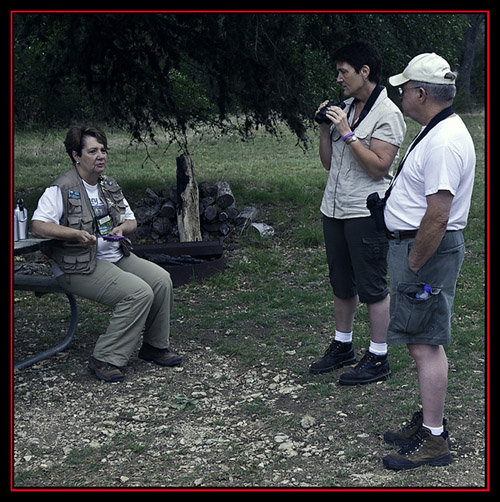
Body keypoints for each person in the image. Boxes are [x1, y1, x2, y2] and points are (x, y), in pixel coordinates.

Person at [381, 53, 475, 470]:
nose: (400, 93)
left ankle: (435, 438)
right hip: (418, 249)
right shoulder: (437, 129)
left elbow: (438, 214)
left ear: (421, 93)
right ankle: (430, 423)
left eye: (404, 88)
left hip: (425, 253)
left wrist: (415, 263)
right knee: (423, 341)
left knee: (424, 345)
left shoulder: (443, 140)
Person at [31, 125, 182, 382]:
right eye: (92, 151)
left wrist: (122, 228)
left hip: (116, 256)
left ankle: (154, 347)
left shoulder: (108, 185)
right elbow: (38, 226)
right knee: (137, 293)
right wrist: (74, 234)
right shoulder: (61, 188)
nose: (101, 156)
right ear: (76, 155)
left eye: (103, 150)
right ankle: (104, 358)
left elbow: (132, 221)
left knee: (161, 280)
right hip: (77, 265)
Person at [310, 41, 406, 385]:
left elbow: (379, 168)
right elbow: (327, 163)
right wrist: (326, 128)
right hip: (333, 207)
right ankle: (343, 345)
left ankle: (379, 355)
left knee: (372, 284)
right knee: (341, 281)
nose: (338, 78)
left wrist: (348, 133)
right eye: (337, 71)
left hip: (365, 210)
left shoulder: (388, 114)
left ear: (364, 72)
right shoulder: (344, 107)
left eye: (343, 71)